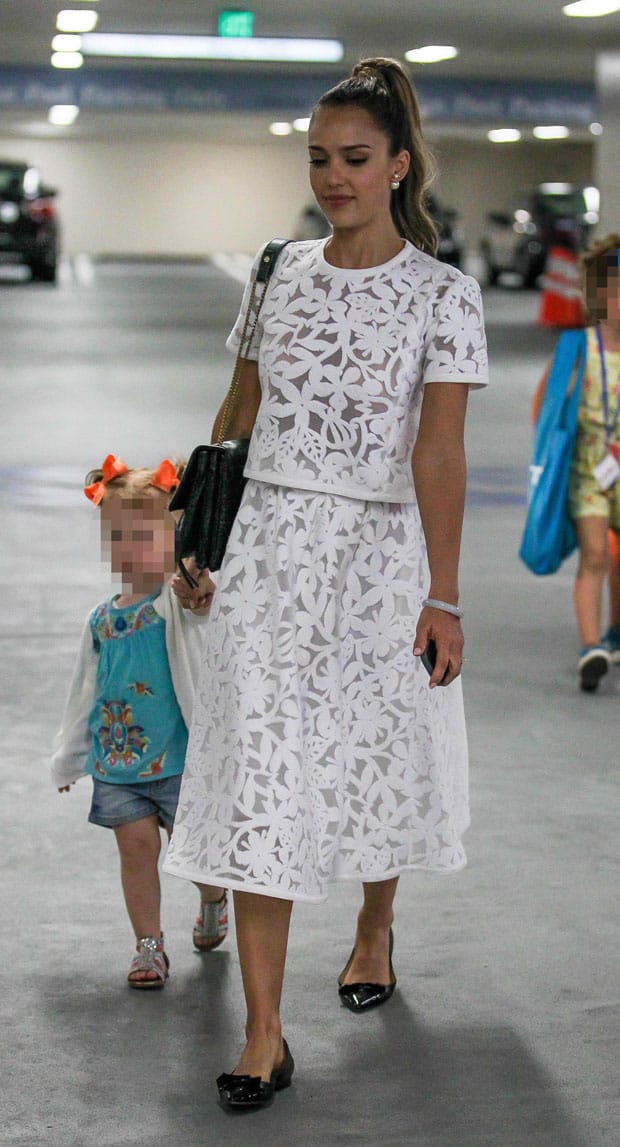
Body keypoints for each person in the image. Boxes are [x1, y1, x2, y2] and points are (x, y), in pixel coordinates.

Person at [163, 57, 489, 1109]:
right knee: (263, 769)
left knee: (370, 751)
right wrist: (196, 541)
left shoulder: (443, 295)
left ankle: (371, 923)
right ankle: (264, 1032)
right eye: (317, 158)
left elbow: (438, 451)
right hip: (265, 554)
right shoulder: (276, 272)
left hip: (378, 562)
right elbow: (235, 413)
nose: (333, 176)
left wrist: (441, 595)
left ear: (398, 166)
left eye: (354, 158)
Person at [50, 455, 227, 988]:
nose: (133, 549)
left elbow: (204, 612)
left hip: (179, 761)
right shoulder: (102, 618)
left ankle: (214, 899)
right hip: (119, 762)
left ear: (175, 540)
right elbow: (86, 691)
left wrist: (200, 592)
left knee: (195, 857)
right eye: (120, 537)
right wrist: (70, 756)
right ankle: (149, 945)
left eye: (147, 537)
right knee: (137, 851)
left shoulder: (177, 603)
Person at [565, 235, 620, 691]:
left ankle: (615, 632)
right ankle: (591, 646)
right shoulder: (580, 348)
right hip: (590, 470)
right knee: (596, 553)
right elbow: (550, 413)